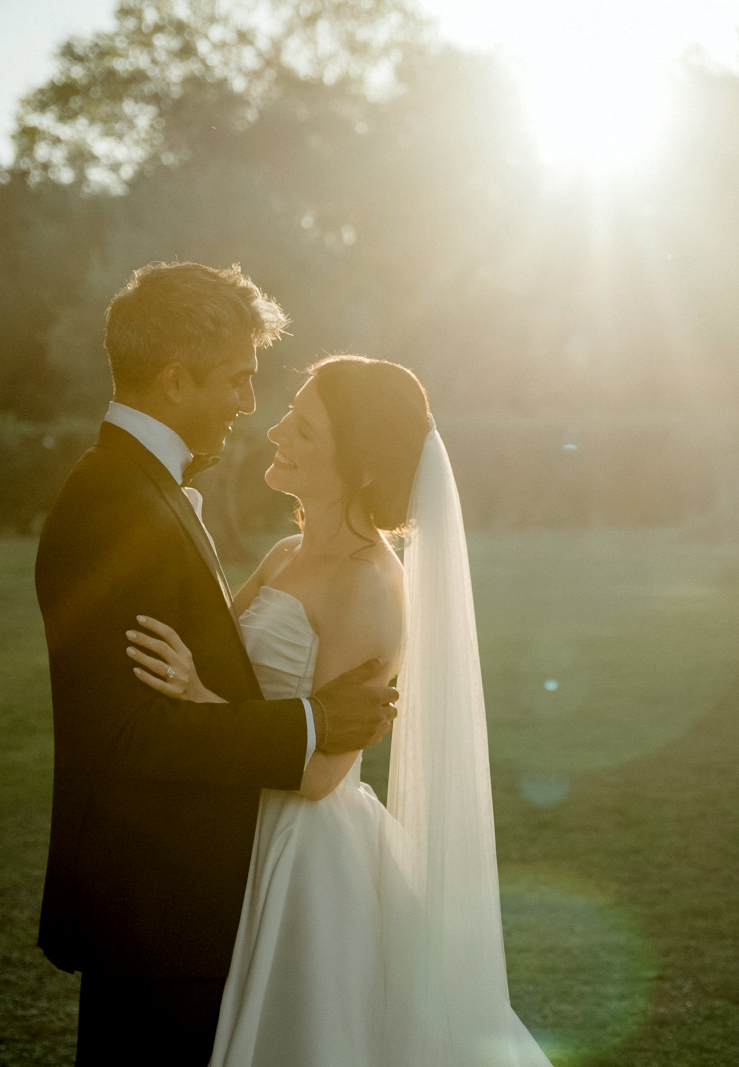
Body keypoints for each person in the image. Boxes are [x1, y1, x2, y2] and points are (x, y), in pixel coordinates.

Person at [127, 356, 552, 1066]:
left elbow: (324, 771)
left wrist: (197, 696)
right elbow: (224, 666)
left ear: (357, 467)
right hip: (234, 815)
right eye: (289, 415)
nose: (275, 432)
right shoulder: (285, 554)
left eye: (304, 428)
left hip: (303, 854)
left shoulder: (369, 584)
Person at [33, 262, 398, 1066]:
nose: (248, 404)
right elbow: (131, 735)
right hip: (156, 907)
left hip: (207, 894)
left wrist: (219, 696)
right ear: (174, 379)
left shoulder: (143, 492)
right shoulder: (111, 508)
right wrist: (310, 722)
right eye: (237, 379)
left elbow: (200, 684)